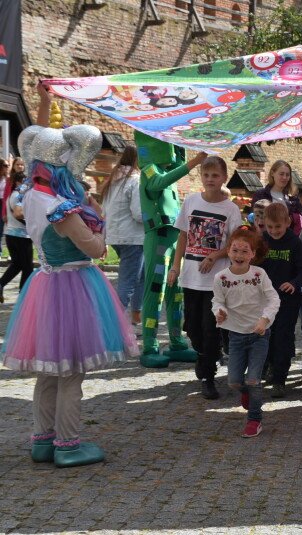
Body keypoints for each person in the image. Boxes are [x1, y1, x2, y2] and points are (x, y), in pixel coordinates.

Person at [4, 91, 137, 467]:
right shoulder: (61, 209)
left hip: (46, 285)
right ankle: (67, 445)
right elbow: (96, 249)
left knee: (48, 371)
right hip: (73, 287)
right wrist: (99, 218)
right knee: (71, 373)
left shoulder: (31, 195)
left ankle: (42, 440)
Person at [169, 156, 243, 400]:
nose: (210, 179)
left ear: (224, 178)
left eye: (215, 175)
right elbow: (183, 236)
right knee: (192, 327)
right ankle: (204, 356)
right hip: (191, 277)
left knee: (210, 328)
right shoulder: (191, 201)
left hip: (216, 281)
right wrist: (175, 267)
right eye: (206, 175)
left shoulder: (230, 209)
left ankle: (208, 377)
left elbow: (235, 243)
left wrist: (215, 255)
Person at [135, 131, 207, 368]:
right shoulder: (149, 170)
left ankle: (176, 341)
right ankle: (150, 345)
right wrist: (194, 162)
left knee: (176, 291)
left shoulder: (164, 169)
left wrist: (181, 140)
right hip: (158, 236)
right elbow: (159, 182)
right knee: (155, 290)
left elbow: (175, 166)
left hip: (174, 237)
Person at [211, 227, 280, 438]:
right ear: (228, 251)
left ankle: (254, 420)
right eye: (235, 250)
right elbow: (217, 301)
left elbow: (274, 299)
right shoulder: (221, 277)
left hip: (259, 335)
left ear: (253, 254)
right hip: (235, 336)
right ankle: (247, 394)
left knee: (253, 380)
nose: (239, 255)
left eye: (244, 251)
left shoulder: (259, 275)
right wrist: (219, 312)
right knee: (234, 381)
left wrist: (265, 319)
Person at [260, 202, 302, 398]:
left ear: (287, 222)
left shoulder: (295, 243)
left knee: (283, 337)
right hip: (265, 299)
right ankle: (268, 366)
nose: (274, 231)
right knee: (265, 335)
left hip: (287, 300)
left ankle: (280, 379)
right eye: (270, 227)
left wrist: (293, 283)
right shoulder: (263, 240)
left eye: (278, 226)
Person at [97, 145, 145, 325]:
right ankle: (112, 324)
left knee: (141, 276)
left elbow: (104, 212)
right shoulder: (136, 180)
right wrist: (157, 218)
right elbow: (138, 214)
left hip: (116, 237)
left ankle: (136, 316)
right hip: (132, 238)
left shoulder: (113, 180)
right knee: (128, 282)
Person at [0, 169, 33, 302]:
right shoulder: (18, 196)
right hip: (20, 236)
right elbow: (18, 214)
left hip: (13, 234)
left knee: (18, 264)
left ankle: (2, 284)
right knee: (27, 267)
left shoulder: (13, 195)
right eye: (26, 183)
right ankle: (24, 296)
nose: (28, 185)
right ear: (19, 182)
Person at [251, 160, 302, 235]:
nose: (284, 177)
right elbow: (253, 217)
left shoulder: (293, 198)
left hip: (287, 238)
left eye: (287, 175)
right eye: (281, 174)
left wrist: (290, 218)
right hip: (264, 237)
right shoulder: (260, 194)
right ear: (272, 173)